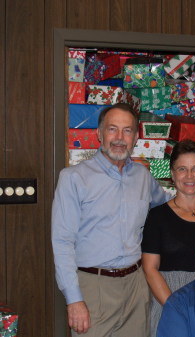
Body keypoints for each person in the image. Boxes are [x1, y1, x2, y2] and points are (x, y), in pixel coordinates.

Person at [52, 103, 169, 337]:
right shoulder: (74, 178)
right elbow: (62, 242)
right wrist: (74, 300)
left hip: (136, 286)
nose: (119, 138)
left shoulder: (142, 176)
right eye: (112, 129)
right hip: (93, 287)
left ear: (136, 137)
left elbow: (166, 207)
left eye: (127, 131)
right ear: (99, 133)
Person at [141, 139, 195, 336]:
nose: (189, 176)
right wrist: (178, 309)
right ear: (172, 174)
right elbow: (150, 268)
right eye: (182, 169)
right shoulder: (157, 217)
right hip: (168, 303)